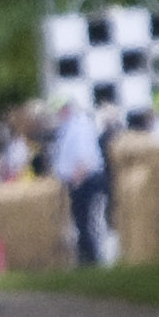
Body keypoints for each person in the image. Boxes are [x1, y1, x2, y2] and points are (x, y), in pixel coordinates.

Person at [47, 100, 108, 266]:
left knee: (86, 221)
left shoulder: (78, 127)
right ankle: (86, 256)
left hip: (84, 181)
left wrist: (76, 181)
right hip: (79, 180)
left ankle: (92, 257)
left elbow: (83, 157)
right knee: (81, 221)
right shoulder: (70, 127)